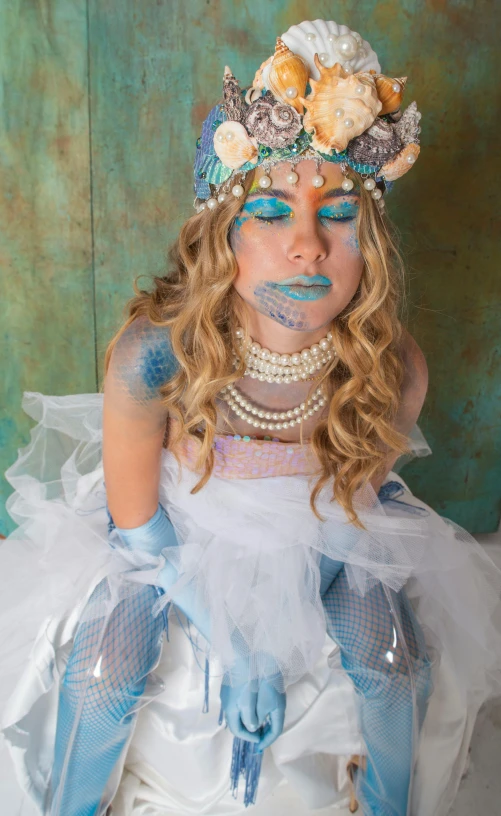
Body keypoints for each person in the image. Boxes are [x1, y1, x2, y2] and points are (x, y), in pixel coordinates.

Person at [1, 18, 501, 816]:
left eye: (337, 217)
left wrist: (290, 617)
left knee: (392, 665)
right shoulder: (152, 355)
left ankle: (385, 804)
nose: (305, 246)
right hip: (173, 536)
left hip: (326, 529)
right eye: (269, 213)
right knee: (103, 677)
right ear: (220, 233)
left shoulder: (390, 364)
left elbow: (351, 509)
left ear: (368, 241)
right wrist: (237, 649)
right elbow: (139, 529)